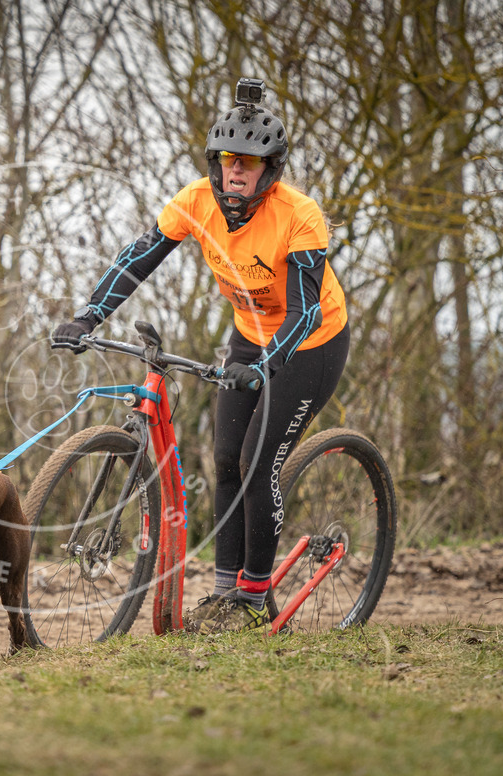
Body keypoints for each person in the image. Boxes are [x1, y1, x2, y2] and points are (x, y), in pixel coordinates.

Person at [51, 78, 349, 633]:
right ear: (216, 164)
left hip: (311, 342)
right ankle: (223, 594)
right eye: (229, 160)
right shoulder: (194, 202)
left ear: (271, 171)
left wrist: (263, 367)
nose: (237, 171)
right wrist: (89, 316)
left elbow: (305, 310)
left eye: (251, 162)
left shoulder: (298, 215)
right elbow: (139, 257)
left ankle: (254, 600)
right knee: (224, 460)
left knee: (257, 466)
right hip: (248, 332)